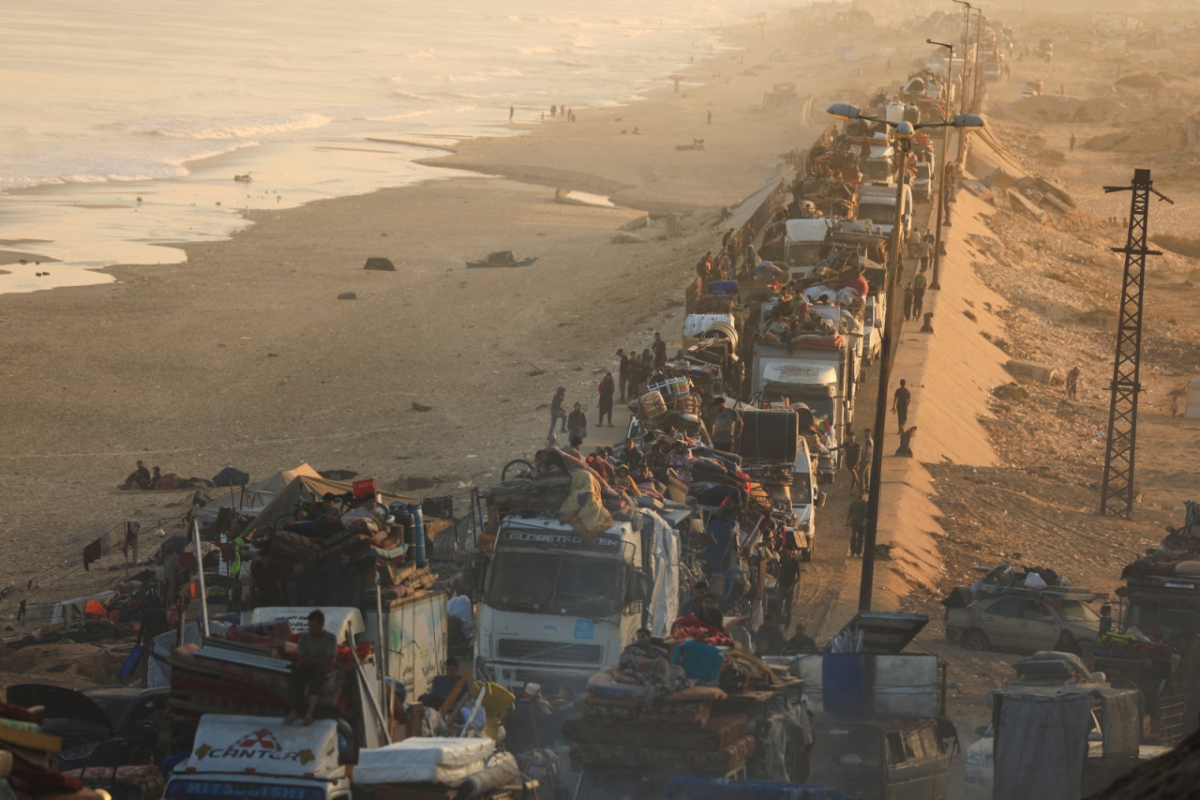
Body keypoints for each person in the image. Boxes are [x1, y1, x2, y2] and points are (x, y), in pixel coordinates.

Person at [286, 609, 337, 726]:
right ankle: (294, 710)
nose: (311, 629)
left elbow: (330, 661)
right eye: (310, 626)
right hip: (309, 667)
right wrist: (319, 661)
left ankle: (310, 712)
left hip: (321, 669)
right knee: (296, 674)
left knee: (318, 675)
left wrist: (311, 660)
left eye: (314, 626)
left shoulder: (330, 638)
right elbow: (301, 659)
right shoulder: (304, 638)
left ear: (321, 625)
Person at [136, 593, 169, 687]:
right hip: (157, 640)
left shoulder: (146, 612)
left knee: (146, 660)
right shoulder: (162, 613)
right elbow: (166, 629)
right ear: (159, 603)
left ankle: (144, 680)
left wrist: (138, 641)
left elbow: (142, 628)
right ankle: (155, 681)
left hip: (147, 639)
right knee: (157, 661)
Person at [776, 548, 801, 626]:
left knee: (788, 608)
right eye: (788, 550)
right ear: (786, 551)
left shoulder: (795, 562)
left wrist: (792, 586)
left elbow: (799, 576)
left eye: (791, 550)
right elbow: (781, 571)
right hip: (782, 586)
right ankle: (778, 624)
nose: (789, 552)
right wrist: (776, 583)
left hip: (789, 588)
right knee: (779, 606)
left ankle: (787, 625)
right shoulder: (783, 560)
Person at [846, 491, 869, 557]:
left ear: (864, 495)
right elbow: (850, 512)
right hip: (854, 522)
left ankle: (858, 552)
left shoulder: (866, 504)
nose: (860, 494)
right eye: (859, 493)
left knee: (860, 538)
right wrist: (847, 521)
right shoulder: (854, 503)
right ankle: (852, 552)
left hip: (862, 524)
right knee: (854, 536)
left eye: (862, 493)